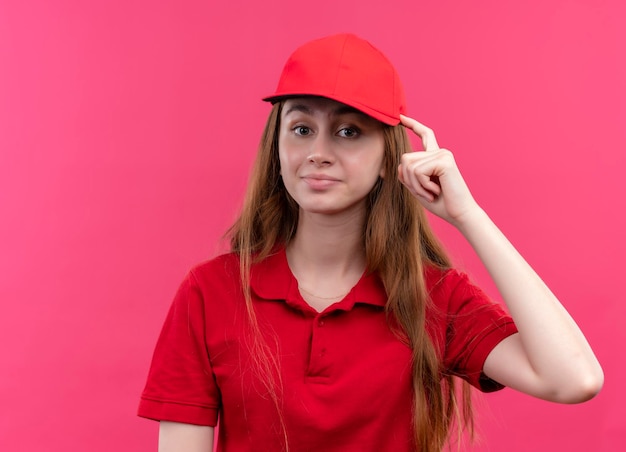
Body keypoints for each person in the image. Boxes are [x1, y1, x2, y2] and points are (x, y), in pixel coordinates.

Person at [138, 34, 603, 452]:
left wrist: (468, 216)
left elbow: (575, 379)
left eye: (349, 132)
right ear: (277, 147)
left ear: (388, 158)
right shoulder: (209, 292)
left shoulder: (434, 297)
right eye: (301, 129)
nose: (319, 151)